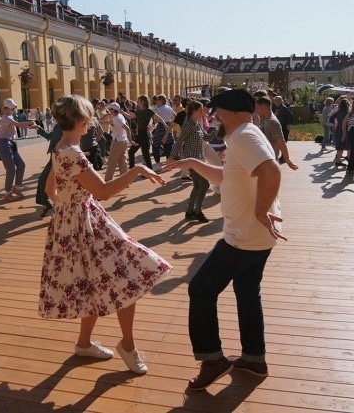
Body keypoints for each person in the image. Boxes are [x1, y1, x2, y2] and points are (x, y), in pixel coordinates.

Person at [162, 89, 285, 391]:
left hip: (243, 237)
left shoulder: (244, 136)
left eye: (217, 111)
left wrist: (259, 211)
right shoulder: (245, 134)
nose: (213, 116)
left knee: (201, 289)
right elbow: (226, 177)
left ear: (232, 113)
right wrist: (192, 162)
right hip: (257, 237)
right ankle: (255, 359)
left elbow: (271, 170)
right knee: (246, 292)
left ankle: (213, 360)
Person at [39, 95, 171, 375]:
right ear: (82, 120)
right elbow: (104, 192)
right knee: (127, 277)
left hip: (69, 223)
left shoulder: (61, 148)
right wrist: (136, 169)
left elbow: (51, 190)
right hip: (85, 224)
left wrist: (67, 209)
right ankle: (128, 346)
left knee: (91, 282)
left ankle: (84, 344)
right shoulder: (74, 153)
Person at [168, 100, 213, 223]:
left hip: (197, 160)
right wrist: (171, 158)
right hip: (191, 161)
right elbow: (179, 141)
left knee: (198, 185)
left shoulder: (196, 124)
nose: (203, 113)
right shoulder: (188, 125)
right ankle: (197, 212)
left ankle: (189, 212)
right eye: (200, 110)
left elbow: (207, 137)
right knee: (205, 185)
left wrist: (220, 130)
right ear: (194, 111)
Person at [0, 99, 37, 202]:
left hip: (10, 143)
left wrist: (29, 123)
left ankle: (16, 188)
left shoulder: (9, 117)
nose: (14, 109)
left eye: (14, 107)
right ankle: (7, 193)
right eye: (12, 107)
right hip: (4, 143)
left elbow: (16, 124)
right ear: (6, 108)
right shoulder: (6, 118)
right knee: (11, 169)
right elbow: (18, 124)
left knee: (21, 165)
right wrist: (30, 123)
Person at [124, 95, 168, 170]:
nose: (137, 102)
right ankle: (149, 170)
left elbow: (129, 117)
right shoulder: (148, 111)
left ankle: (132, 170)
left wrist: (122, 112)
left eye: (138, 101)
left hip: (141, 135)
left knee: (131, 152)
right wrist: (165, 125)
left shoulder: (141, 112)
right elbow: (158, 118)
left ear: (142, 102)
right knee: (146, 154)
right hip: (146, 134)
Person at [255, 97, 298, 170]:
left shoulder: (272, 122)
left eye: (257, 108)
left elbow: (281, 142)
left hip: (270, 162)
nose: (256, 111)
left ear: (263, 107)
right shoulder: (266, 119)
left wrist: (288, 161)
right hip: (266, 160)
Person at [36, 123, 63, 217]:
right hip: (54, 157)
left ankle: (56, 206)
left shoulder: (67, 125)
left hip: (61, 158)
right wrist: (38, 128)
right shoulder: (57, 126)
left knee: (45, 181)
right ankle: (46, 204)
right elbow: (49, 136)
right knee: (44, 181)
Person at [104, 102, 133, 181]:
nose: (109, 111)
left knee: (111, 162)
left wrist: (131, 140)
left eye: (110, 109)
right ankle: (125, 181)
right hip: (123, 141)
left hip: (118, 142)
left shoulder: (117, 118)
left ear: (113, 110)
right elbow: (112, 123)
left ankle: (107, 181)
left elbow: (127, 128)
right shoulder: (119, 116)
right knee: (122, 162)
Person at [330, 98, 349, 166]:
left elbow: (331, 119)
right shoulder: (348, 113)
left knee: (340, 145)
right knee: (345, 146)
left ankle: (338, 160)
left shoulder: (338, 112)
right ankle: (339, 161)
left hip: (338, 129)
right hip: (345, 130)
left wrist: (334, 125)